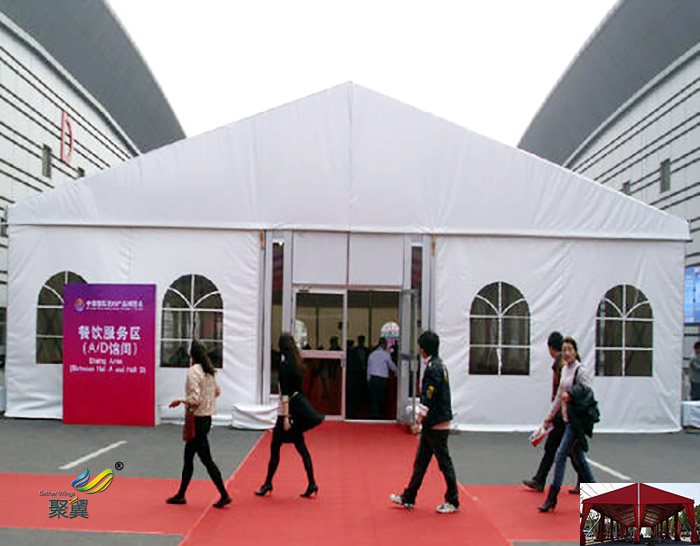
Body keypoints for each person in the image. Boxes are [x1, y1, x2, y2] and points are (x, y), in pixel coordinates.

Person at [390, 331, 459, 514]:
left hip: (436, 423)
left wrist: (418, 421)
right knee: (421, 462)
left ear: (423, 349)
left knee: (444, 463)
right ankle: (409, 496)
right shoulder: (439, 365)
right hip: (434, 423)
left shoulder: (433, 369)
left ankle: (453, 500)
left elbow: (428, 396)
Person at [166, 340, 231, 508]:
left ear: (191, 355)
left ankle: (224, 494)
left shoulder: (194, 371)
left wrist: (180, 400)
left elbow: (194, 399)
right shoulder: (209, 370)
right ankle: (181, 494)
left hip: (196, 419)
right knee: (189, 457)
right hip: (206, 418)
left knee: (204, 459)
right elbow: (217, 391)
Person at [255, 333, 318, 498]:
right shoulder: (298, 364)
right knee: (302, 449)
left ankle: (268, 483)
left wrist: (285, 417)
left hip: (286, 412)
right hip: (296, 411)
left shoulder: (284, 366)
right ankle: (312, 482)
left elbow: (285, 394)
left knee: (275, 449)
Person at [538, 336, 595, 512]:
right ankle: (595, 491)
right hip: (566, 419)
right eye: (564, 350)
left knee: (561, 455)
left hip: (576, 421)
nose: (567, 353)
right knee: (579, 458)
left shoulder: (580, 371)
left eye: (570, 350)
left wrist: (572, 395)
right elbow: (558, 397)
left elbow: (588, 392)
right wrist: (549, 418)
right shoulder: (564, 370)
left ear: (575, 352)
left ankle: (552, 497)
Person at [523, 331, 584, 494]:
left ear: (551, 348)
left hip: (566, 415)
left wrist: (552, 415)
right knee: (566, 450)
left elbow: (563, 392)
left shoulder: (565, 366)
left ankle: (545, 483)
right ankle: (541, 480)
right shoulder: (563, 365)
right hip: (563, 413)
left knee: (564, 451)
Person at [367, 337, 398, 419]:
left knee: (374, 398)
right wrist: (398, 371)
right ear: (384, 345)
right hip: (382, 379)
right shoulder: (386, 355)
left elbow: (369, 368)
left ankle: (374, 414)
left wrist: (368, 379)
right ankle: (380, 415)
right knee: (381, 398)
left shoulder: (372, 354)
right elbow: (392, 366)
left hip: (373, 378)